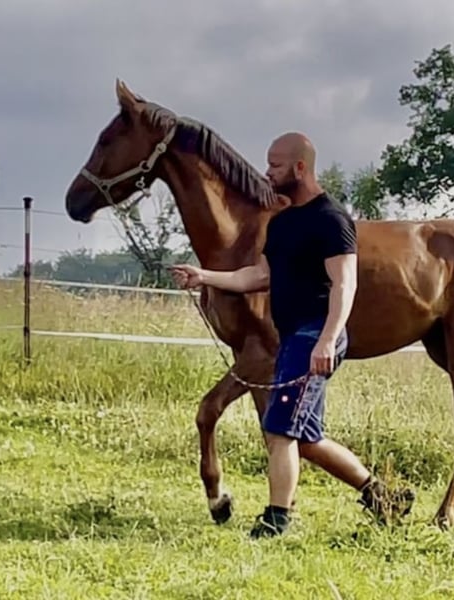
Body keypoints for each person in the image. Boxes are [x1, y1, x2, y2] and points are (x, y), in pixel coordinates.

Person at [170, 132, 414, 538]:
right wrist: (205, 277)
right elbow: (259, 275)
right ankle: (383, 497)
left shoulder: (331, 219)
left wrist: (327, 339)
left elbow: (345, 284)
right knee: (306, 438)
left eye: (276, 165)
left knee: (280, 428)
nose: (267, 172)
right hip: (292, 338)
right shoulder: (282, 223)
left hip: (315, 335)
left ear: (300, 168)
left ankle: (276, 519)